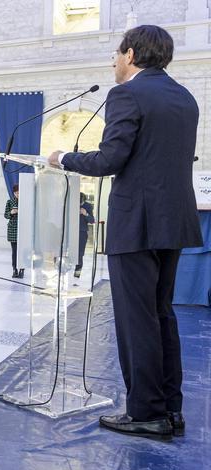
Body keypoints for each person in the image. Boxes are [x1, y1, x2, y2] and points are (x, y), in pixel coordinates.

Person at [47, 25, 200, 440]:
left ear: (130, 54)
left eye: (116, 54)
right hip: (174, 221)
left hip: (136, 224)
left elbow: (111, 159)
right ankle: (170, 408)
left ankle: (146, 413)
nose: (113, 62)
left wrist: (63, 158)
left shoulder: (127, 94)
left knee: (138, 322)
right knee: (162, 315)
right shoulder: (185, 98)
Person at [74, 192, 95, 278]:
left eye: (81, 203)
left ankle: (77, 273)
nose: (80, 205)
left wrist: (85, 214)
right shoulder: (72, 203)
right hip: (70, 231)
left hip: (81, 232)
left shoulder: (88, 206)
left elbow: (92, 221)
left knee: (80, 253)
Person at [3, 185, 22, 278]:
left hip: (23, 229)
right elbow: (5, 215)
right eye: (16, 193)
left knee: (22, 251)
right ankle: (15, 269)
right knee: (14, 251)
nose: (18, 194)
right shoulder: (10, 202)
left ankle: (22, 268)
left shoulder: (25, 201)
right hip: (13, 229)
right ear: (13, 193)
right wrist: (11, 212)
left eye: (19, 192)